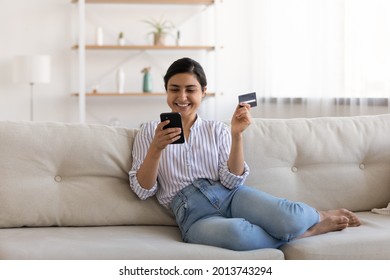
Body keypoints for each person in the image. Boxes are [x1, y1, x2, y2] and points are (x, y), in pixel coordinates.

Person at [129, 57, 361, 251]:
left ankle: (316, 216)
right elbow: (142, 190)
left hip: (230, 195)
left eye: (191, 89)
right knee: (239, 235)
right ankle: (306, 233)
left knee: (289, 216)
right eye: (174, 89)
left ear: (203, 92)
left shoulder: (217, 130)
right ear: (166, 91)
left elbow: (232, 180)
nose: (182, 97)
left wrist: (236, 135)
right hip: (191, 212)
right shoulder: (149, 131)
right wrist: (156, 149)